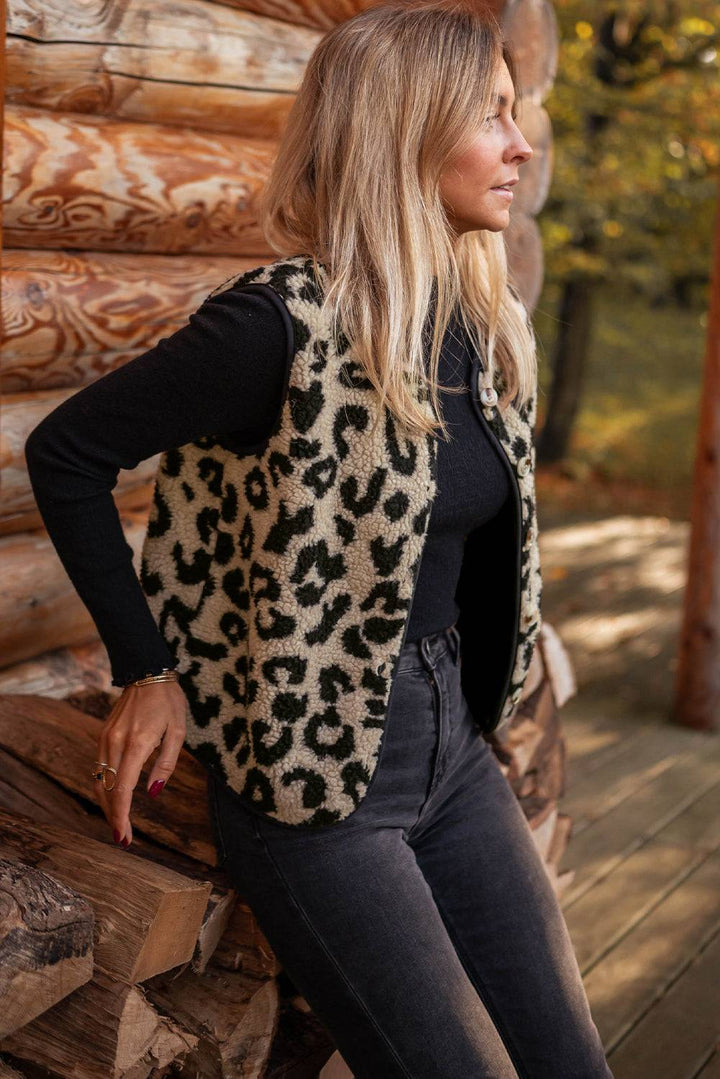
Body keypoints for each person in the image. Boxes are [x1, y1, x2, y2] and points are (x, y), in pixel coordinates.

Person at [24, 1, 614, 1075]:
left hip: (454, 750)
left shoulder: (476, 318)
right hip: (321, 780)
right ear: (404, 131)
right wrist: (147, 668)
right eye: (490, 115)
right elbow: (66, 452)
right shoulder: (277, 327)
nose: (521, 142)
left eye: (514, 109)